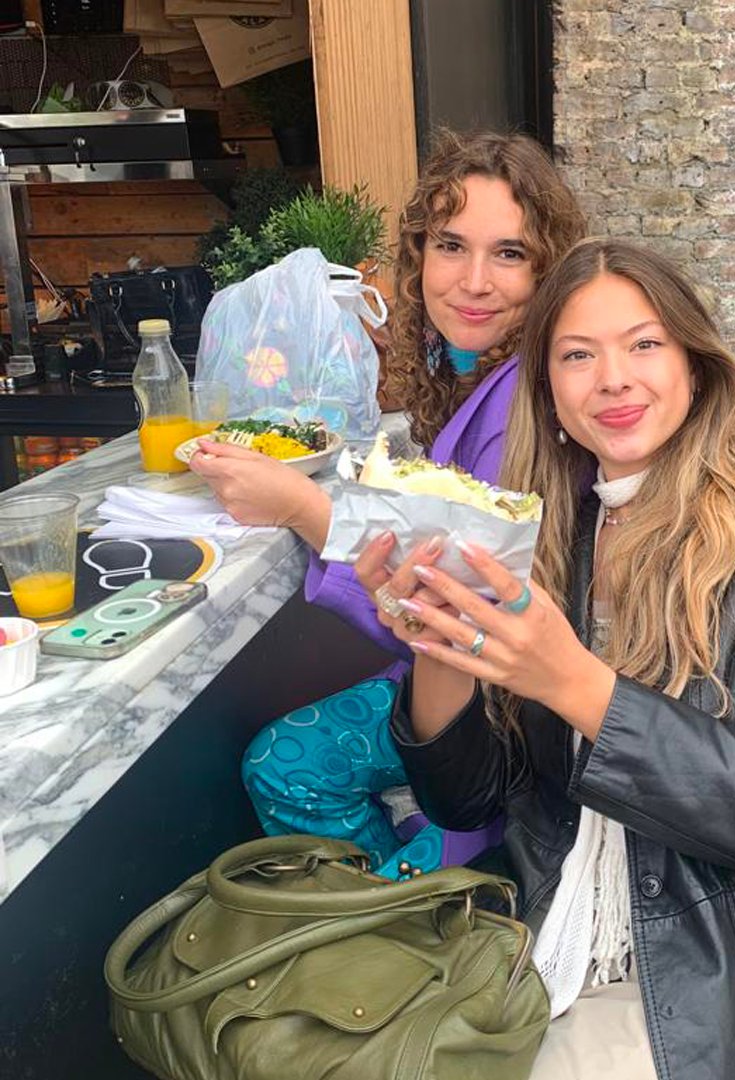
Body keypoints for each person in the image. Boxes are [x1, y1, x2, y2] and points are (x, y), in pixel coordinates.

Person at [358, 239, 735, 1078]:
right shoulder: (549, 536)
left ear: (697, 365)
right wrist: (439, 639)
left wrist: (574, 683)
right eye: (577, 355)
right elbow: (468, 802)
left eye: (644, 344)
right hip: (551, 943)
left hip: (716, 977)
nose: (612, 378)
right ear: (548, 390)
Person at [188, 131, 585, 868]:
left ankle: (414, 900)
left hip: (504, 717)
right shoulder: (473, 368)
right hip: (472, 687)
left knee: (285, 764)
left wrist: (297, 507)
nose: (472, 281)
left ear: (548, 271)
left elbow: (454, 606)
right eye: (450, 246)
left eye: (509, 253)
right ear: (418, 256)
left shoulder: (522, 405)